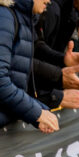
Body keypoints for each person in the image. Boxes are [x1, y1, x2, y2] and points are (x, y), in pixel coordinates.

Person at [0, 0, 59, 131]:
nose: (49, 1)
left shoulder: (22, 19)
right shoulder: (4, 17)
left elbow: (15, 81)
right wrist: (37, 112)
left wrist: (38, 112)